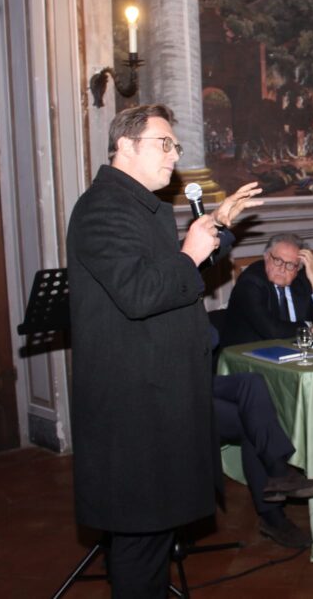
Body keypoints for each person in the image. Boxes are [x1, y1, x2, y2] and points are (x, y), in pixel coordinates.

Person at [67, 103, 262, 596]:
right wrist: (192, 252)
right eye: (164, 144)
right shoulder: (102, 209)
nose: (175, 155)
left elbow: (163, 273)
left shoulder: (135, 205)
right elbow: (139, 294)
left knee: (153, 530)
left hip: (157, 391)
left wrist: (213, 225)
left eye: (176, 145)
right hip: (133, 402)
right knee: (139, 533)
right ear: (125, 146)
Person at [213, 373, 313, 549]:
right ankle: (278, 483)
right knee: (250, 416)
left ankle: (278, 480)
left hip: (196, 377)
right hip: (172, 392)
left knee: (253, 383)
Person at [220, 233, 313, 347]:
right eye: (277, 260)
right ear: (266, 257)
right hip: (250, 355)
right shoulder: (251, 282)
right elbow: (272, 331)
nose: (282, 269)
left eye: (290, 265)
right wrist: (307, 326)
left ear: (298, 268)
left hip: (295, 352)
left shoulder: (301, 280)